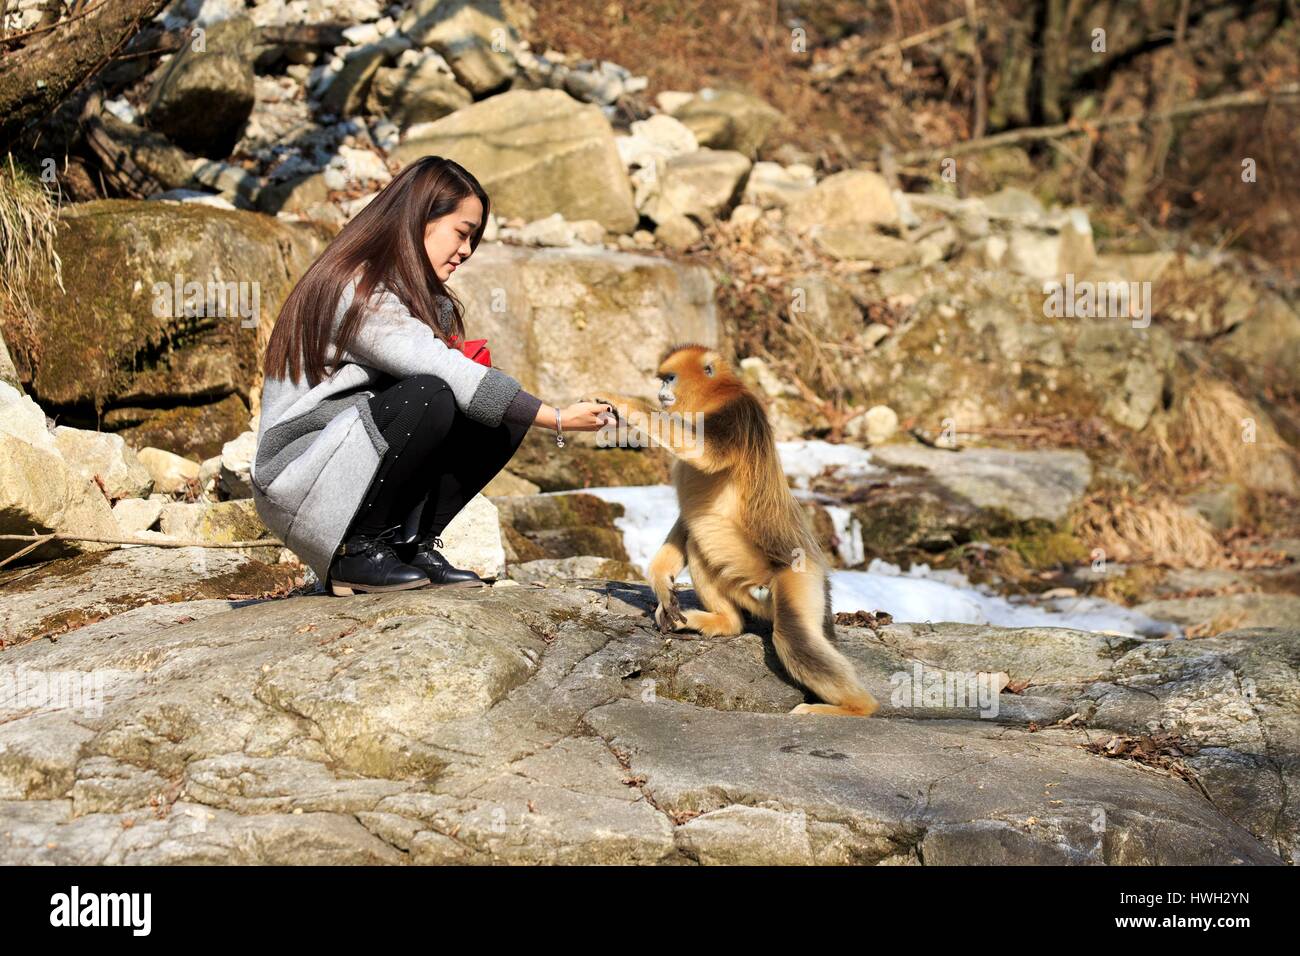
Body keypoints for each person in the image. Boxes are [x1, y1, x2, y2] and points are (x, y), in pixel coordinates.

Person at [250, 156, 613, 596]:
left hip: (340, 462)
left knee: (495, 411)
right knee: (431, 394)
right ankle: (357, 552)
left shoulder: (417, 294)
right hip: (297, 478)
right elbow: (435, 367)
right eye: (462, 233)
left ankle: (408, 544)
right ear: (421, 217)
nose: (466, 251)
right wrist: (555, 417)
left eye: (473, 239)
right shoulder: (357, 286)